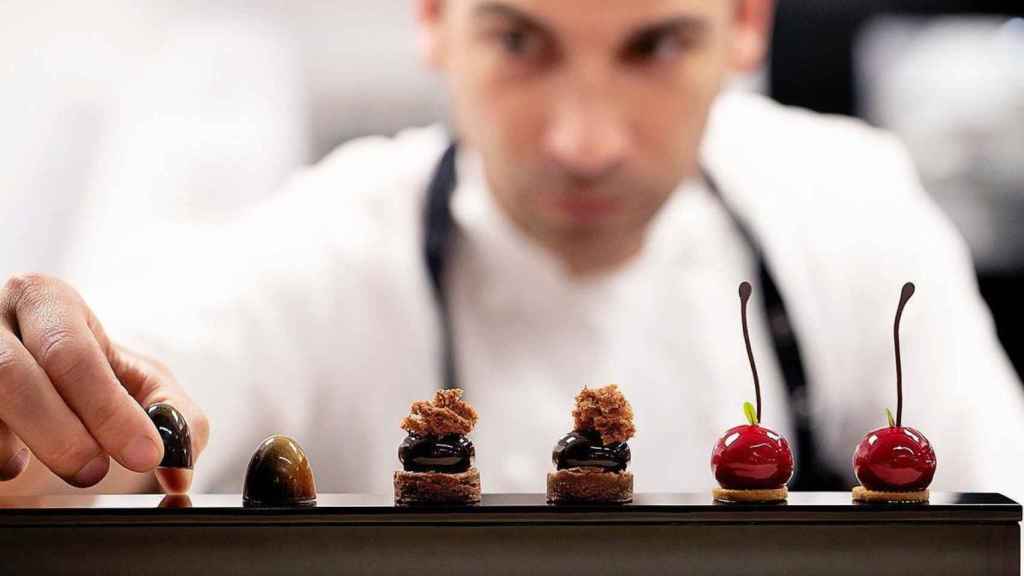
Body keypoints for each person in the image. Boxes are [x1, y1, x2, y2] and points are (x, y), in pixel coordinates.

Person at [1, 0, 1022, 508]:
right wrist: (45, 397)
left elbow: (1000, 516)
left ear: (745, 24)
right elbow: (118, 400)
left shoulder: (849, 208)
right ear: (436, 21)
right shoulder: (329, 247)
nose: (584, 140)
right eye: (521, 43)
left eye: (654, 46)